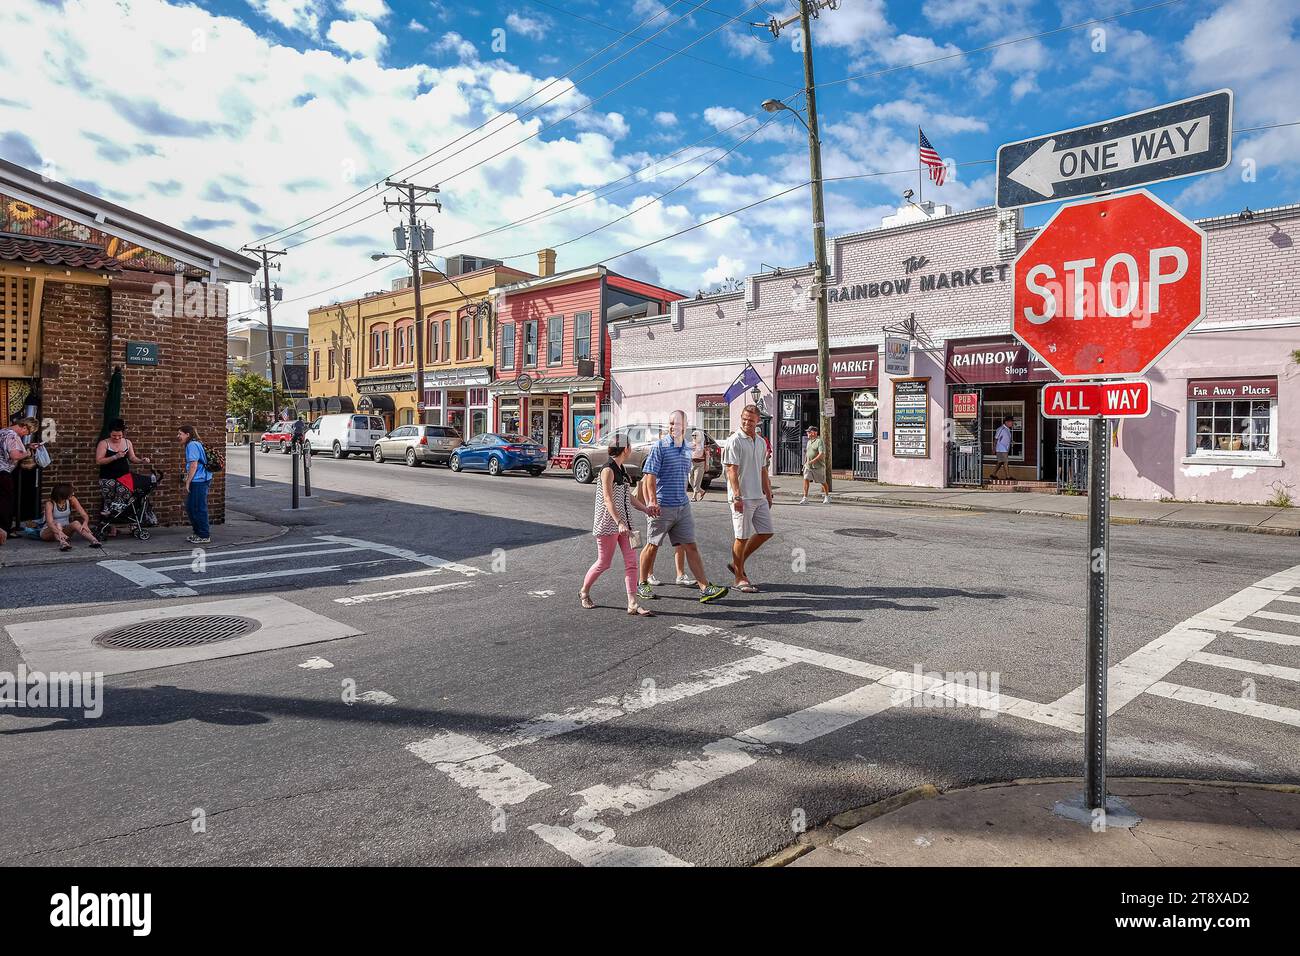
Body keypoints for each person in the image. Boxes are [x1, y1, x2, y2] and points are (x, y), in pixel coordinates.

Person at [637, 410, 729, 604]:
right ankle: (642, 583)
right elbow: (650, 477)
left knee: (691, 546)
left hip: (682, 505)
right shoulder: (659, 447)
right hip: (662, 506)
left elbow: (689, 471)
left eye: (677, 424)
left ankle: (705, 587)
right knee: (652, 546)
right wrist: (652, 500)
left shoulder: (687, 448)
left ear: (685, 426)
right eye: (671, 423)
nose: (673, 427)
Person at [581, 444, 655, 616]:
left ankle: (633, 603)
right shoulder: (608, 470)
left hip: (625, 524)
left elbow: (628, 497)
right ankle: (584, 591)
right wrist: (619, 522)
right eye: (629, 446)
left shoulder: (622, 469)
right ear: (625, 450)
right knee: (604, 563)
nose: (631, 449)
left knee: (631, 563)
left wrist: (645, 509)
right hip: (609, 524)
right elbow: (607, 499)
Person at [724, 404, 774, 593]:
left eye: (751, 420)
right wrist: (737, 496)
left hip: (758, 495)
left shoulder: (760, 442)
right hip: (742, 497)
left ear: (758, 421)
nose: (746, 422)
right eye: (744, 418)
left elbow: (763, 470)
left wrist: (767, 492)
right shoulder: (734, 440)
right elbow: (731, 470)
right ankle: (739, 577)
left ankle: (737, 561)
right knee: (742, 536)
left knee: (766, 531)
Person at [95, 419, 151, 532]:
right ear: (109, 433)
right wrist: (115, 457)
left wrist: (141, 460)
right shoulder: (104, 443)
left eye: (119, 435)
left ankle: (115, 520)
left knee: (123, 495)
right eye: (114, 435)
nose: (117, 438)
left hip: (124, 476)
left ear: (123, 433)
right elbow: (99, 461)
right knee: (109, 499)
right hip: (107, 476)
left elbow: (132, 458)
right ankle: (110, 528)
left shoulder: (127, 442)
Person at [0, 417, 39, 546]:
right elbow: (14, 455)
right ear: (24, 427)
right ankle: (5, 530)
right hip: (3, 472)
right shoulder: (13, 436)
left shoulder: (4, 431)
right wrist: (27, 454)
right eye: (28, 432)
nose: (26, 435)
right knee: (6, 502)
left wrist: (27, 446)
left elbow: (8, 449)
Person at [41, 483, 101, 551]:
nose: (73, 494)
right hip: (48, 532)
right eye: (70, 492)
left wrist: (85, 523)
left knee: (76, 523)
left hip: (64, 531)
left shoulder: (71, 499)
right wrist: (59, 532)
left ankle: (94, 541)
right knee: (57, 524)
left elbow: (84, 515)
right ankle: (63, 543)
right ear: (63, 494)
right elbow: (50, 523)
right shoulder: (50, 503)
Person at [178, 424, 212, 544]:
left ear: (187, 434)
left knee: (197, 508)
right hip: (201, 479)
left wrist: (188, 481)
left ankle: (203, 535)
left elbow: (194, 465)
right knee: (192, 507)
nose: (179, 436)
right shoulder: (195, 443)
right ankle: (198, 533)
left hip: (199, 480)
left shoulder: (192, 445)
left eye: (180, 434)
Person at [799, 425, 829, 504]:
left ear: (814, 433)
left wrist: (813, 461)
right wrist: (805, 463)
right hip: (808, 466)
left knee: (822, 481)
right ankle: (805, 497)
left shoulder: (819, 441)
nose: (807, 433)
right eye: (807, 432)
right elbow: (807, 453)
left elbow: (821, 453)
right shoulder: (809, 442)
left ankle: (827, 496)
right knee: (806, 479)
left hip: (818, 466)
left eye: (809, 432)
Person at [990, 414, 1014, 481]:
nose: (1012, 423)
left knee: (1000, 462)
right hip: (1001, 449)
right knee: (1005, 461)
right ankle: (1008, 476)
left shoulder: (1007, 430)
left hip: (1005, 449)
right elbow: (996, 439)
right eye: (1011, 422)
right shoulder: (1001, 429)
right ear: (1006, 422)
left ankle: (993, 474)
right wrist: (994, 449)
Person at [688, 429, 707, 502]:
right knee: (690, 479)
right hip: (691, 463)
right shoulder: (690, 444)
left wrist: (707, 465)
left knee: (697, 480)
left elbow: (707, 455)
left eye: (696, 435)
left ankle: (694, 496)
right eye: (693, 435)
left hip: (700, 463)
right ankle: (701, 491)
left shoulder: (703, 445)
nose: (694, 437)